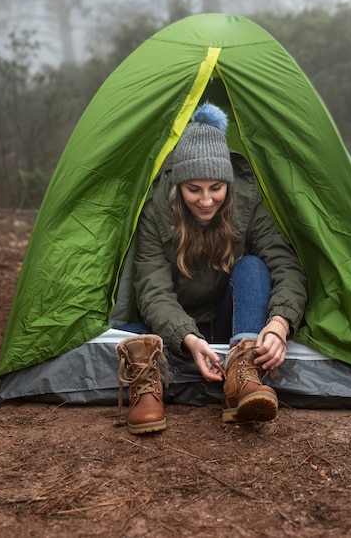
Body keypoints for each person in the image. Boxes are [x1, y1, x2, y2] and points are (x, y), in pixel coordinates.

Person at [116, 103, 307, 434]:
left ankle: (242, 375)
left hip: (229, 323)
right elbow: (152, 288)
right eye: (194, 189)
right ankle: (149, 389)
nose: (206, 200)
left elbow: (286, 264)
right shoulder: (155, 212)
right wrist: (188, 339)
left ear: (228, 185)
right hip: (177, 333)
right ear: (179, 186)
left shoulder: (246, 206)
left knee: (253, 266)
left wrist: (279, 324)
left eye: (216, 188)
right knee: (130, 337)